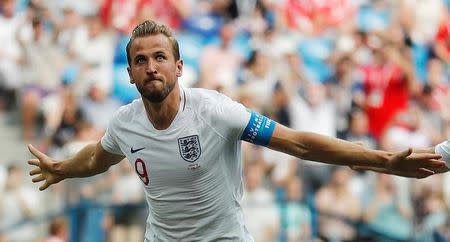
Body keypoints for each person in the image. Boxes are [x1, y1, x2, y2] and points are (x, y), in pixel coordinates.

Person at [26, 20, 448, 241]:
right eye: (140, 60)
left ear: (179, 67)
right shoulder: (125, 122)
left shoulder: (215, 111)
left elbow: (298, 143)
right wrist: (63, 167)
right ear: (131, 73)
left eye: (159, 57)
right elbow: (99, 156)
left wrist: (383, 162)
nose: (150, 66)